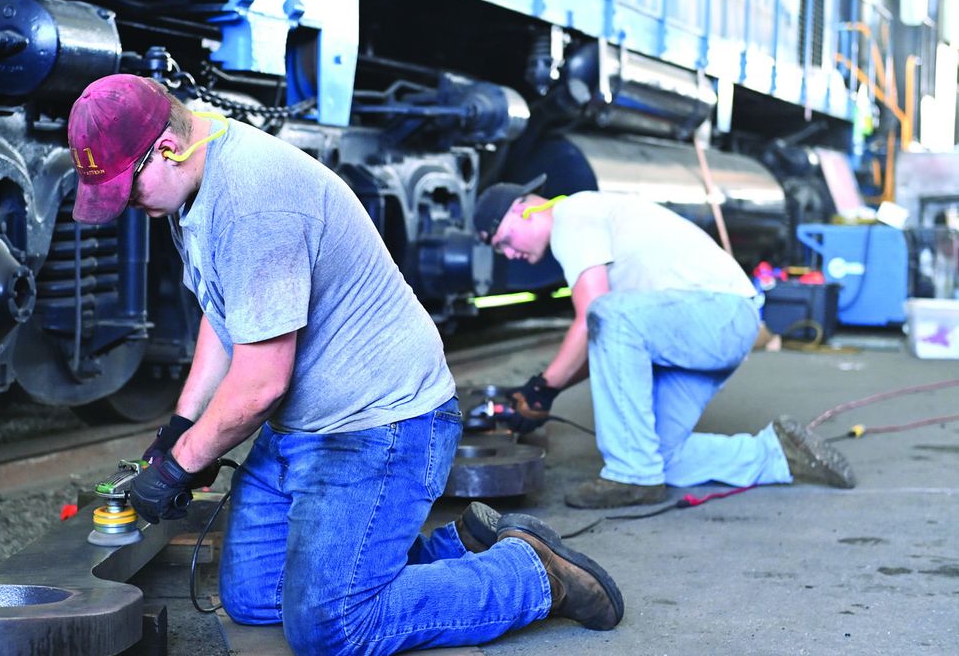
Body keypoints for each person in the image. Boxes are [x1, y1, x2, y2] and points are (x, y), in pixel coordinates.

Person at [67, 74, 624, 655]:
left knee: (330, 629)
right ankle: (456, 547)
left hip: (378, 426)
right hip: (303, 428)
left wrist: (181, 466)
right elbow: (223, 311)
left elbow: (260, 385)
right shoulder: (193, 184)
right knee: (256, 600)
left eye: (127, 191)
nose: (129, 207)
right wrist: (182, 427)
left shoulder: (253, 199)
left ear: (166, 148)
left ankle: (531, 573)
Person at [474, 175, 857, 509]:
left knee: (607, 315)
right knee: (659, 455)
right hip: (709, 328)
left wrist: (542, 387)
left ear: (523, 208)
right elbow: (606, 346)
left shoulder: (573, 216)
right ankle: (777, 455)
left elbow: (594, 316)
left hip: (716, 317)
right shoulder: (592, 225)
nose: (511, 255)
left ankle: (631, 477)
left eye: (504, 241)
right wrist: (546, 390)